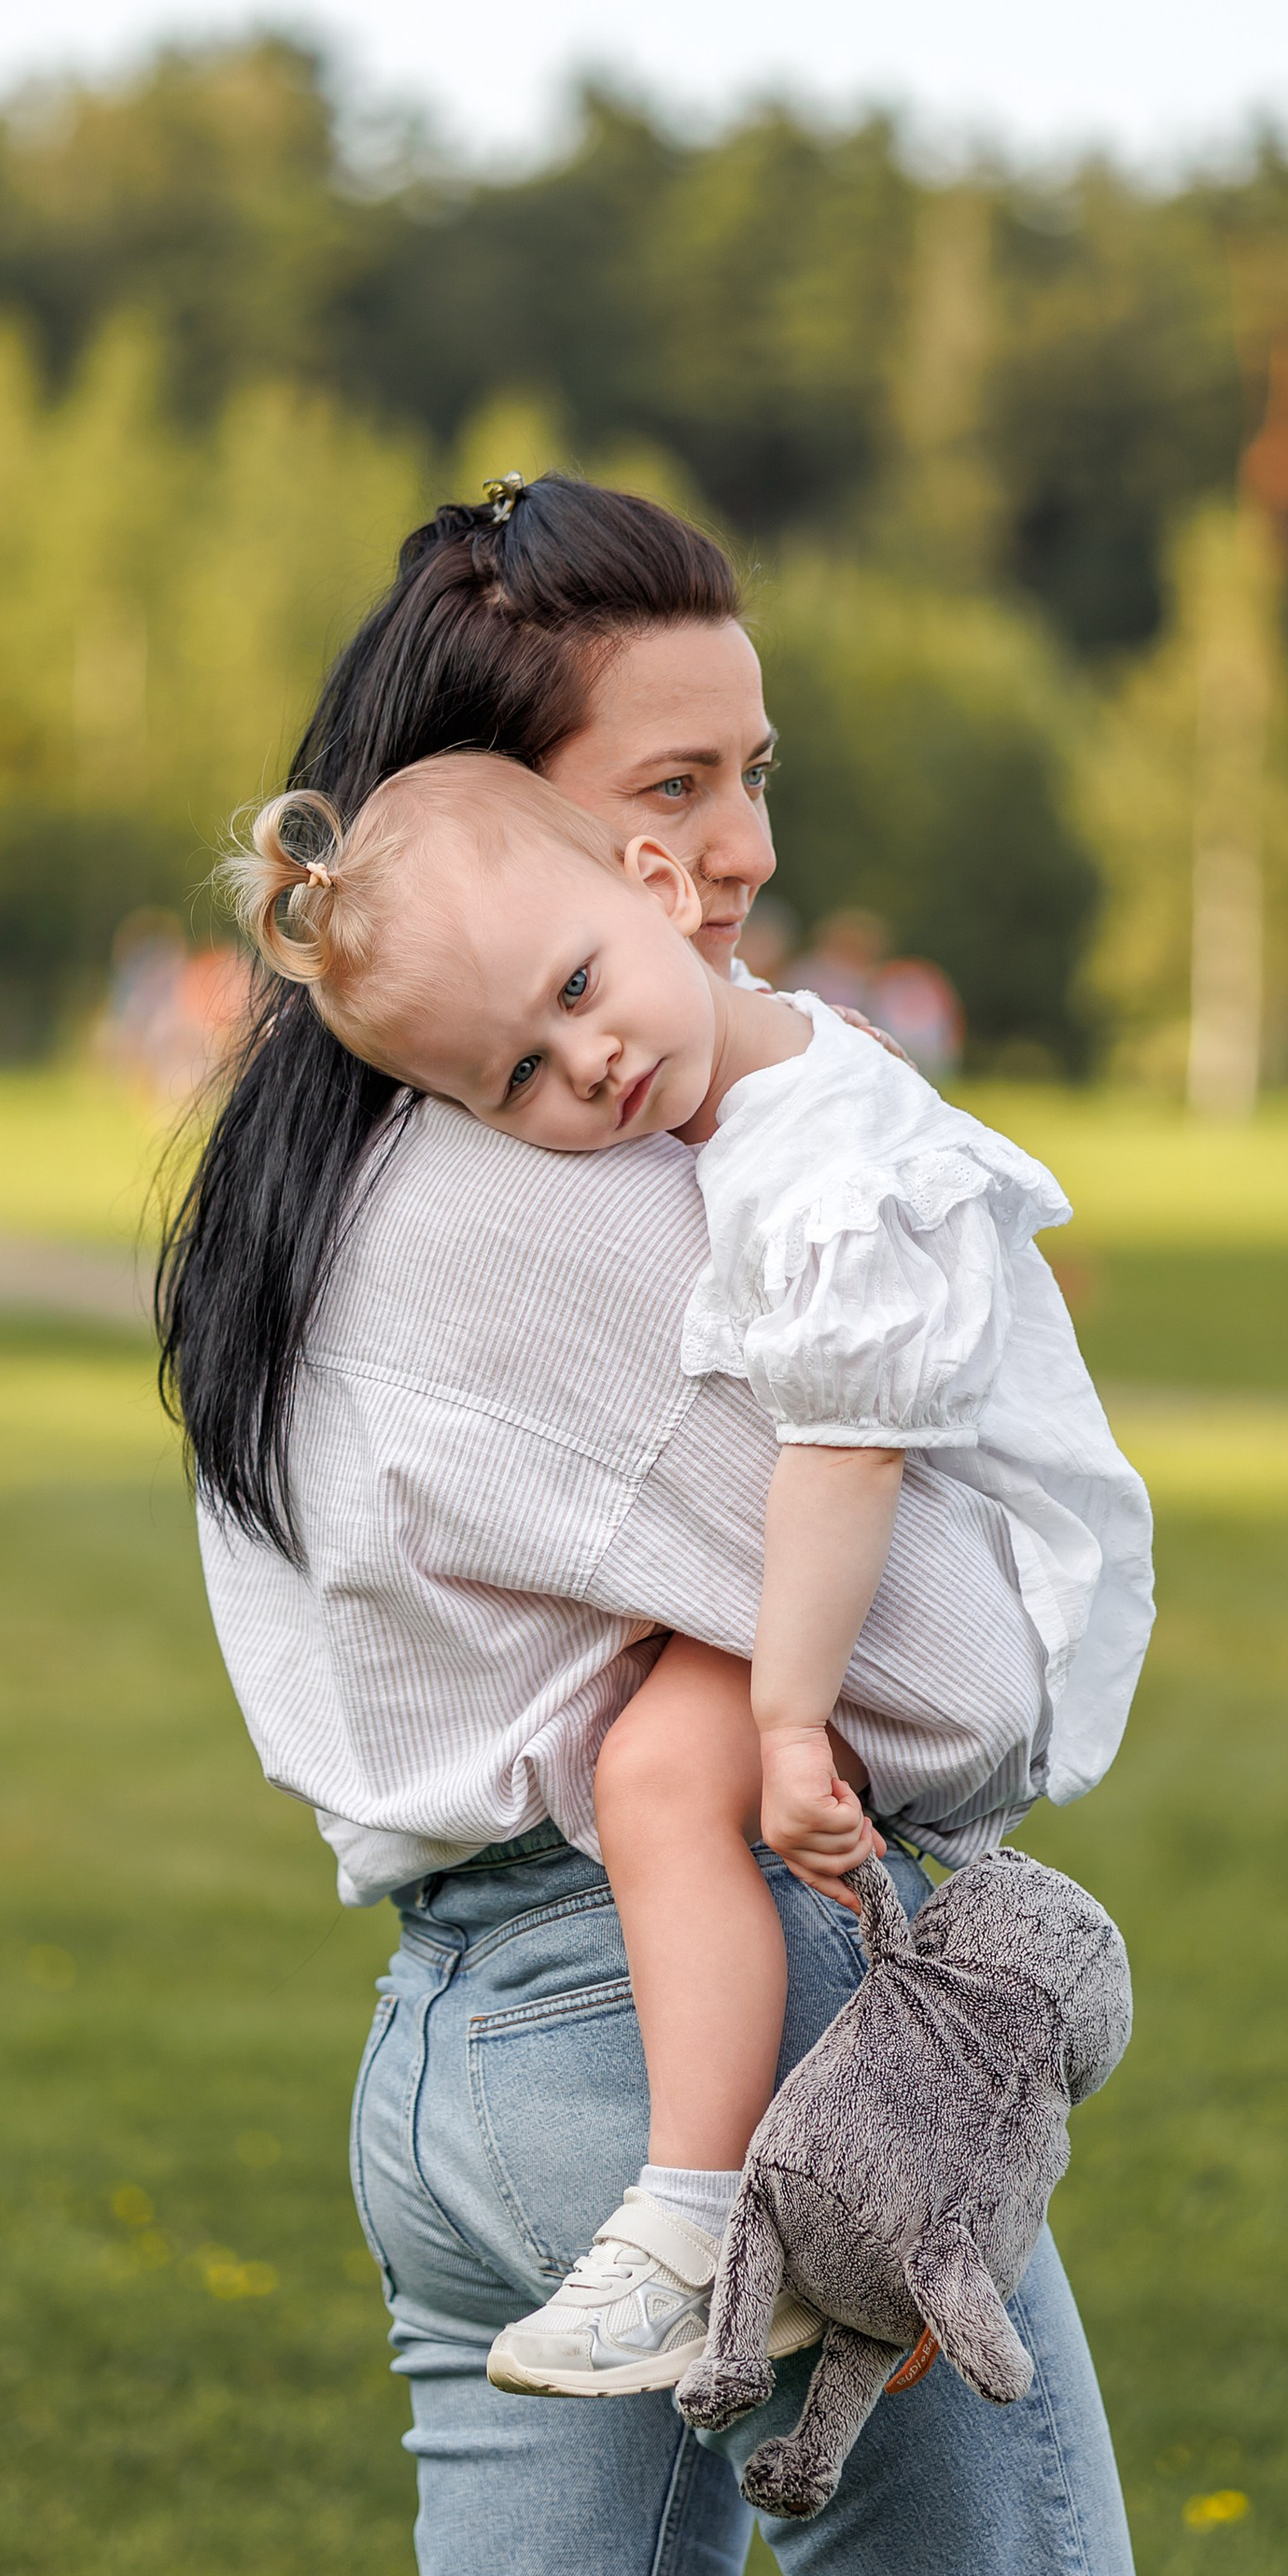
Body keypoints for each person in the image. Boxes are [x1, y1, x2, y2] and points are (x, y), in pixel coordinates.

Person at [161, 473, 1174, 2576]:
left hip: (461, 2055)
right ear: (492, 803)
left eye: (758, 778)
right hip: (691, 2038)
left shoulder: (329, 1157)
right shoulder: (551, 1205)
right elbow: (958, 1690)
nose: (735, 862)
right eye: (670, 796)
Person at [223, 751, 1153, 2404]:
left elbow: (853, 1455)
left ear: (657, 886)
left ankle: (691, 2213)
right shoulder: (741, 1099)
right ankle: (690, 2207)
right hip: (860, 1552)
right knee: (656, 1764)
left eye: (579, 988)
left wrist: (791, 1726)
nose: (587, 1063)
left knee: (665, 1770)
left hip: (982, 1562)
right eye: (517, 1076)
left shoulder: (819, 1160)